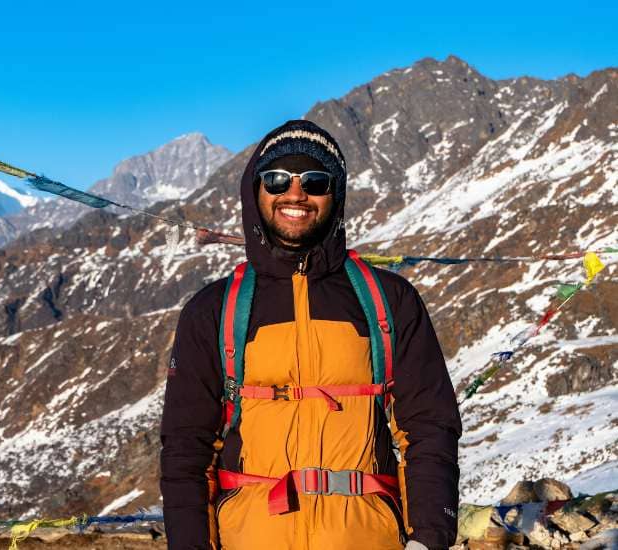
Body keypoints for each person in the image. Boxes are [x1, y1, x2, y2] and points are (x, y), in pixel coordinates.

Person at [159, 119, 462, 550]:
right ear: (256, 190)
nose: (295, 193)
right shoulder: (212, 311)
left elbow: (429, 427)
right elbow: (186, 449)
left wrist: (428, 539)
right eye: (277, 178)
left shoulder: (390, 301)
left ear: (336, 194)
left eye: (315, 180)